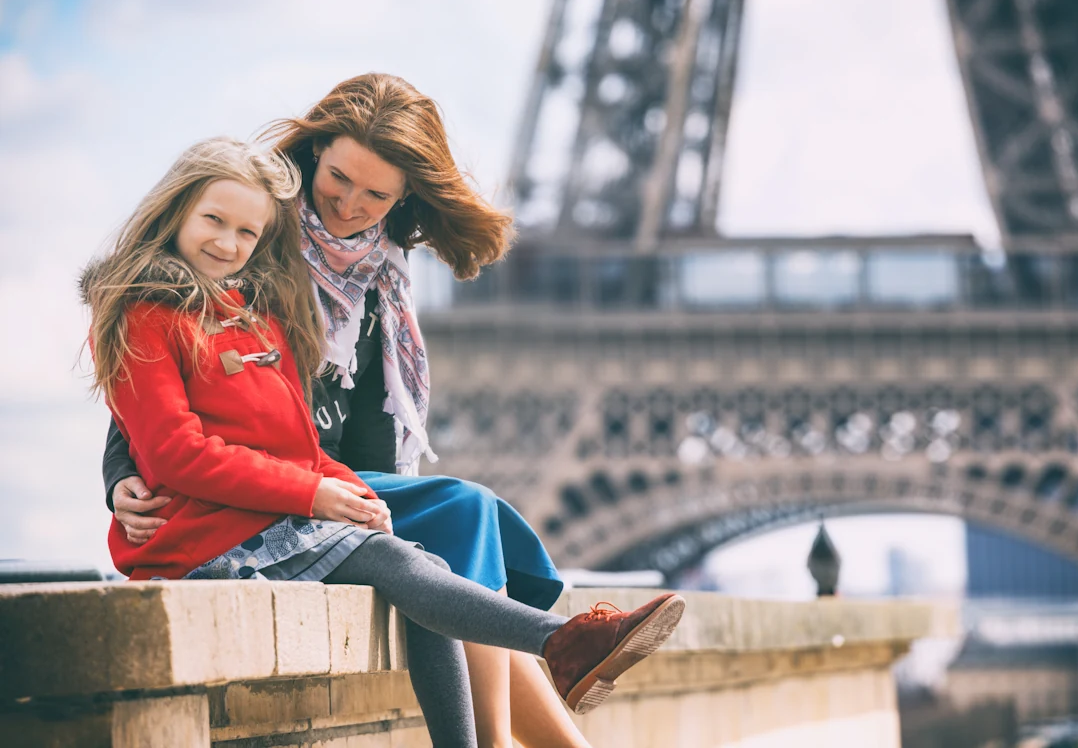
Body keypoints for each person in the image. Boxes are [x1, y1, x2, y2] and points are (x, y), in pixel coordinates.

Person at [82, 137, 686, 748]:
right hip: (205, 537)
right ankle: (564, 639)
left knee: (422, 564)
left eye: (246, 231)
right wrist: (316, 494)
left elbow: (296, 442)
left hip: (265, 517)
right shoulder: (145, 314)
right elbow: (169, 447)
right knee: (402, 561)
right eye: (214, 220)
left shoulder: (261, 312)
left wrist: (347, 491)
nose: (228, 242)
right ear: (175, 212)